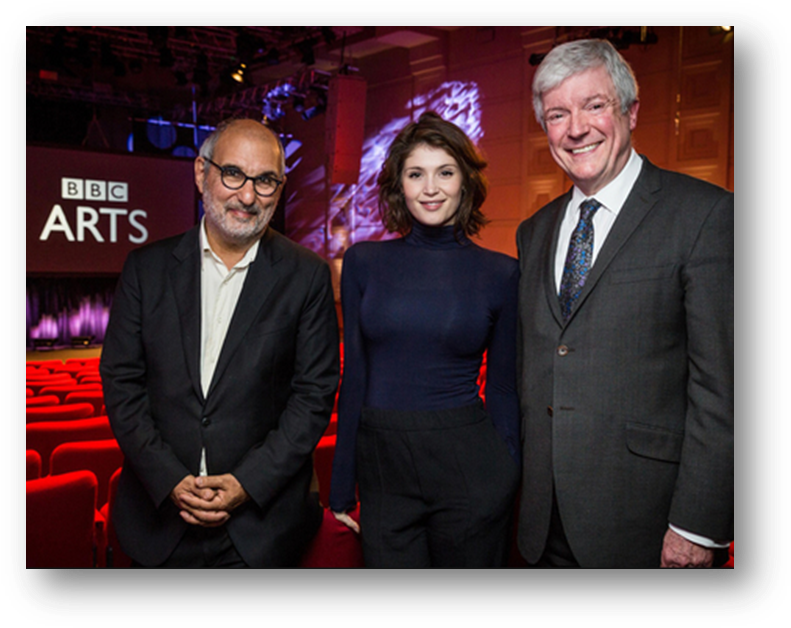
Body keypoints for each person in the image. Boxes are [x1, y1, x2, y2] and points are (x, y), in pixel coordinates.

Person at [516, 39, 733, 568]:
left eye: (594, 105)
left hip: (648, 527)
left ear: (631, 112)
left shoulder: (705, 216)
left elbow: (725, 389)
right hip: (541, 523)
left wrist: (697, 527)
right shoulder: (533, 231)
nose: (576, 129)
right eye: (557, 115)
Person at [100, 118, 340, 568]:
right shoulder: (145, 269)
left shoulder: (307, 276)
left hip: (262, 534)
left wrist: (246, 484)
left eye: (265, 181)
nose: (247, 196)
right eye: (233, 174)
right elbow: (121, 383)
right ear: (200, 172)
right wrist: (171, 480)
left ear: (280, 188)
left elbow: (313, 396)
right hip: (158, 526)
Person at [329, 111, 521, 568]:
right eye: (416, 174)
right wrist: (341, 484)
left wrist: (509, 473)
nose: (430, 188)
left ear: (465, 182)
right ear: (399, 184)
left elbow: (503, 388)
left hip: (470, 471)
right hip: (384, 473)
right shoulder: (363, 262)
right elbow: (354, 377)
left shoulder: (501, 273)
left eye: (445, 172)